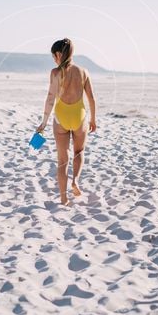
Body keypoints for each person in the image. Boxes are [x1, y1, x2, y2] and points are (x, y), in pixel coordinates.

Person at [36, 38, 97, 205]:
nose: (54, 60)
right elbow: (91, 98)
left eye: (53, 56)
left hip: (61, 117)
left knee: (62, 160)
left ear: (58, 54)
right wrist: (93, 119)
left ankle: (63, 198)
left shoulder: (55, 73)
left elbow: (50, 98)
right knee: (79, 152)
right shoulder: (83, 71)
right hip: (79, 116)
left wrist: (44, 122)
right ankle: (75, 181)